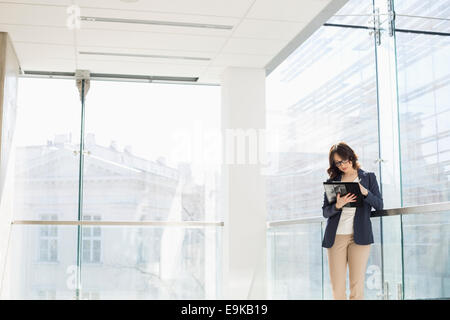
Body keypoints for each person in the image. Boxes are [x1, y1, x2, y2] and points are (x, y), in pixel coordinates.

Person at [322, 142, 383, 300]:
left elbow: (379, 205)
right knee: (338, 288)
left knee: (357, 287)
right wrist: (337, 205)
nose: (342, 165)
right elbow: (325, 212)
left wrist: (365, 192)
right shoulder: (332, 182)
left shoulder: (368, 177)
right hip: (336, 238)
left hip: (360, 237)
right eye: (338, 162)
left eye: (344, 160)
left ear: (351, 157)